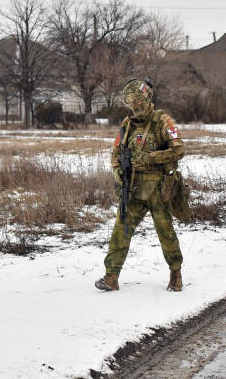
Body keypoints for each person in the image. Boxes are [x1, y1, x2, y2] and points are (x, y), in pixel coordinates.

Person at [95, 79, 185, 292]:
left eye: (140, 104)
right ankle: (111, 276)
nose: (137, 109)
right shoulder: (127, 125)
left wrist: (150, 158)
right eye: (132, 105)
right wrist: (118, 172)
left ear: (147, 99)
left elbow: (179, 149)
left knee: (165, 232)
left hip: (158, 188)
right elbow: (116, 153)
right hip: (133, 188)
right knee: (121, 230)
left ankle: (175, 273)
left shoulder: (162, 121)